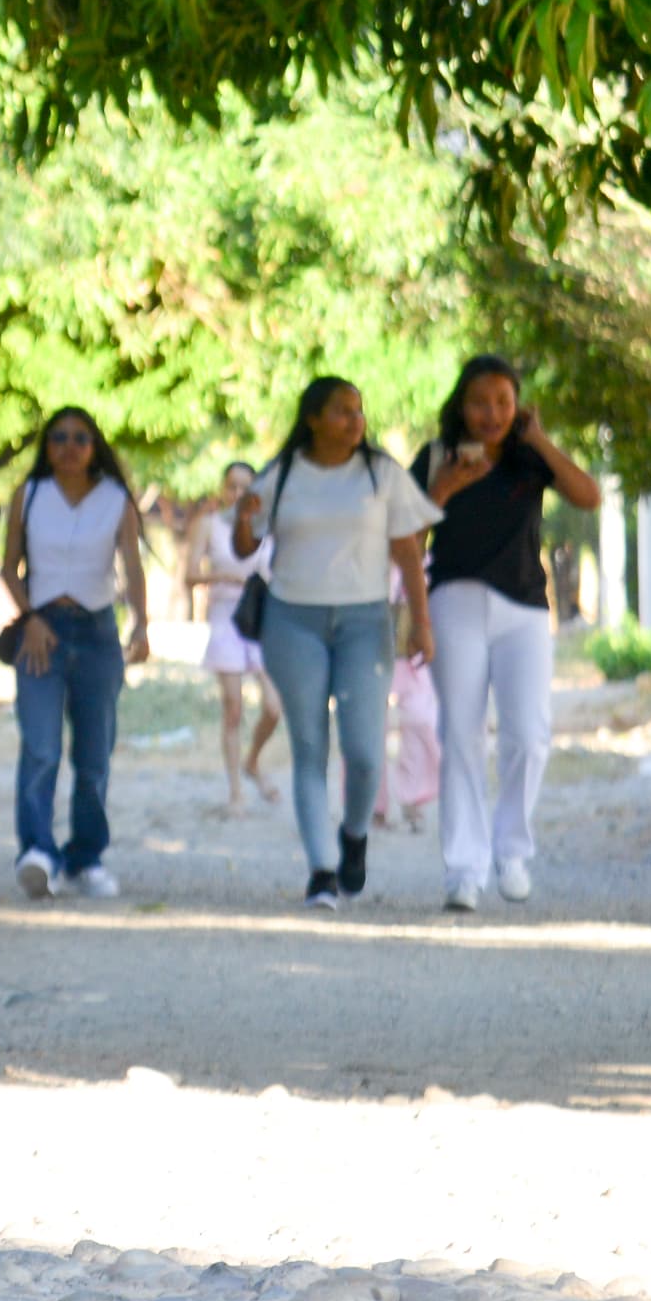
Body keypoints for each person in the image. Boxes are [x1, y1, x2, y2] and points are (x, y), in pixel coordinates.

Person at [235, 377, 441, 909]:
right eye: (343, 412)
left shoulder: (380, 472)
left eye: (359, 411)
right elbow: (245, 546)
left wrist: (422, 622)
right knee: (309, 746)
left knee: (366, 753)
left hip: (363, 622)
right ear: (313, 419)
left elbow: (408, 555)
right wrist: (242, 515)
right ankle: (322, 869)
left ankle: (353, 836)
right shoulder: (281, 475)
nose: (356, 421)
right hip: (292, 620)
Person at [419, 354, 604, 912]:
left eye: (503, 401)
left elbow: (589, 494)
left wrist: (540, 440)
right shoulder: (434, 457)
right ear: (461, 405)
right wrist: (445, 486)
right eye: (480, 402)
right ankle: (463, 868)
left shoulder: (530, 459)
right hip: (454, 600)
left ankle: (512, 851)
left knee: (528, 735)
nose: (491, 413)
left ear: (517, 405)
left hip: (523, 607)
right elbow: (406, 532)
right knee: (461, 735)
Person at [0, 407, 152, 898]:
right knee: (40, 746)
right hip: (42, 633)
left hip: (98, 633)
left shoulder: (115, 499)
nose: (69, 446)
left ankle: (86, 856)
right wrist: (32, 618)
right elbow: (8, 568)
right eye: (59, 437)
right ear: (46, 445)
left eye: (80, 438)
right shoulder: (30, 495)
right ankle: (37, 851)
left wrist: (142, 623)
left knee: (94, 754)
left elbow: (132, 565)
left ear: (94, 446)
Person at [192, 460, 282, 812]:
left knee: (274, 708)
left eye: (245, 486)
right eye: (232, 485)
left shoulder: (268, 529)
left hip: (260, 621)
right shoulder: (209, 525)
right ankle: (235, 792)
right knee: (233, 707)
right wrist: (222, 580)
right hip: (225, 617)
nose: (237, 493)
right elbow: (189, 574)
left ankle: (253, 761)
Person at [374, 557, 437, 835]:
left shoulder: (421, 552)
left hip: (410, 647)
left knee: (419, 719)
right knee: (371, 724)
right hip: (372, 641)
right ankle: (373, 805)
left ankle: (413, 796)